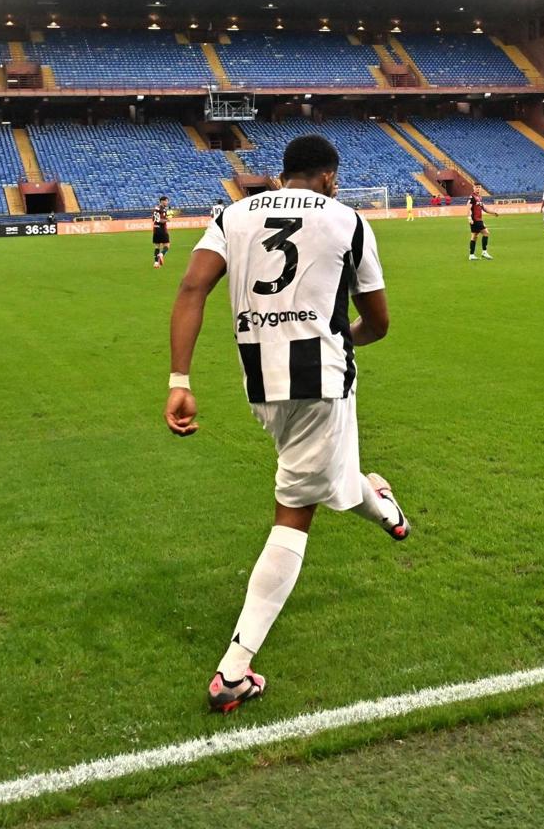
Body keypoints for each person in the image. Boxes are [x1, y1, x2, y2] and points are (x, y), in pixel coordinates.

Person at [165, 134, 407, 714]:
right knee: (297, 509)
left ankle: (385, 507)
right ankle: (234, 669)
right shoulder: (348, 220)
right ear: (329, 177)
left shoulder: (232, 214)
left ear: (282, 174)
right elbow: (377, 321)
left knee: (325, 476)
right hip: (323, 380)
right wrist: (340, 336)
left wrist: (180, 380)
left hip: (261, 384)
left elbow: (192, 287)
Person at [465, 186, 497, 261]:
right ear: (473, 188)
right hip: (476, 220)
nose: (478, 189)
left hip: (478, 219)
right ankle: (484, 252)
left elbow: (484, 208)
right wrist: (469, 218)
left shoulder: (479, 197)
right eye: (476, 187)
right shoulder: (472, 197)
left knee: (474, 236)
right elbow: (468, 207)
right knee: (486, 233)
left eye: (479, 187)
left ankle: (471, 255)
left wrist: (493, 213)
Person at [151, 196, 172, 269]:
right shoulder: (162, 210)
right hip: (162, 230)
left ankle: (156, 263)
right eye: (166, 201)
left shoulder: (156, 208)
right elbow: (160, 220)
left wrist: (166, 217)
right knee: (167, 245)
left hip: (155, 229)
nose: (167, 202)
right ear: (162, 201)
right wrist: (167, 220)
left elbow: (154, 219)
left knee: (157, 246)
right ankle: (162, 254)